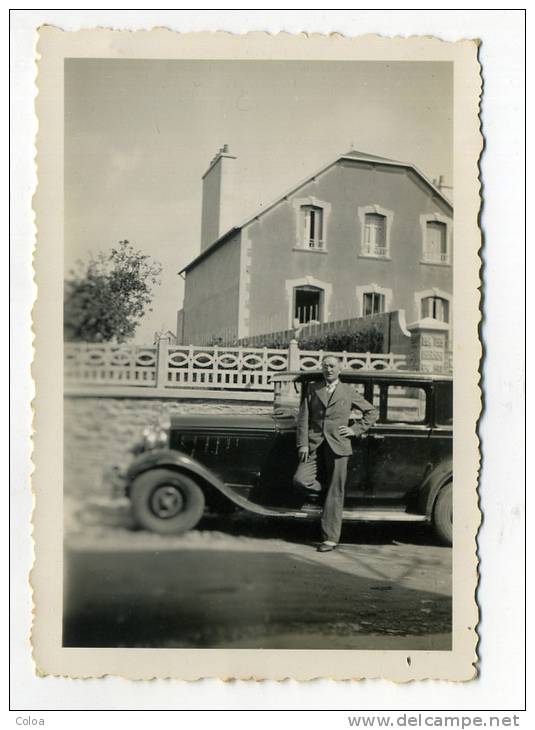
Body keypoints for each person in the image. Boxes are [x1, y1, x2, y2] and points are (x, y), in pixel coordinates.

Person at [293, 356, 378, 552]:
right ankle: (328, 494)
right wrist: (303, 444)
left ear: (340, 369)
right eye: (325, 366)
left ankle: (330, 538)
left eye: (332, 366)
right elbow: (303, 419)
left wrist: (355, 430)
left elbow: (371, 412)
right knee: (300, 479)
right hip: (314, 444)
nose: (328, 369)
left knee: (336, 492)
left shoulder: (348, 391)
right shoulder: (314, 389)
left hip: (339, 445)